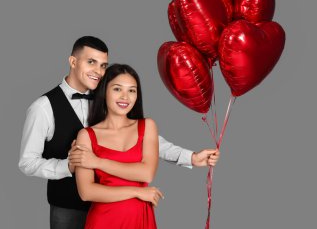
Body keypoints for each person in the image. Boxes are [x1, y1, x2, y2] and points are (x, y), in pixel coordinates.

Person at [18, 36, 220, 229]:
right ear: (73, 61)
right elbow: (27, 162)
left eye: (103, 65)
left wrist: (190, 157)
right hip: (69, 208)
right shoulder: (43, 107)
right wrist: (69, 166)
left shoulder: (110, 94)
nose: (98, 71)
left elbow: (139, 138)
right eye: (91, 62)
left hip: (116, 208)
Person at [76, 63, 161, 228]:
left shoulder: (147, 126)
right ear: (104, 92)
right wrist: (136, 192)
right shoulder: (86, 136)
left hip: (140, 220)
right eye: (117, 89)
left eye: (132, 90)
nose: (125, 97)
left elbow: (146, 173)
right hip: (103, 221)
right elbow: (87, 192)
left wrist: (98, 162)